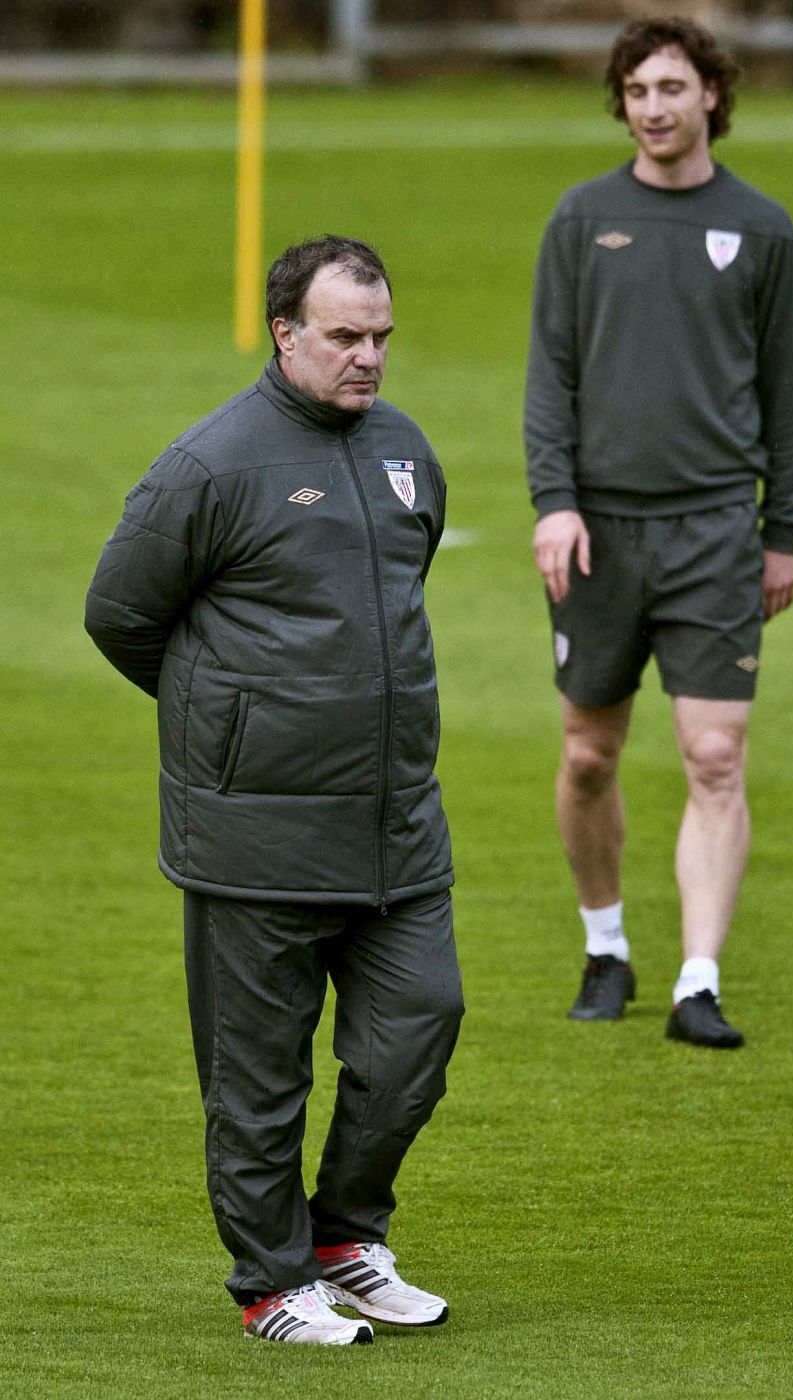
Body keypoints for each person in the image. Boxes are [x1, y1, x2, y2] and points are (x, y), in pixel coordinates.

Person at [85, 235, 466, 1342]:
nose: (368, 358)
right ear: (284, 332)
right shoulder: (212, 463)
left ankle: (343, 1237)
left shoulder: (405, 452)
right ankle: (269, 1279)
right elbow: (120, 612)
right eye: (344, 337)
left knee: (417, 1033)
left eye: (381, 336)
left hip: (395, 822)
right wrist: (235, 728)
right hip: (255, 835)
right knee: (257, 1079)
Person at [523, 17, 793, 1048]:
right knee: (588, 753)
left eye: (671, 87)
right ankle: (605, 946)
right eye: (637, 89)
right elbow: (548, 375)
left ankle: (698, 979)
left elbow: (785, 394)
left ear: (709, 98)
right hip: (595, 532)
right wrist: (551, 500)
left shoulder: (762, 229)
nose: (653, 106)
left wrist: (783, 529)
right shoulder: (579, 217)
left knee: (714, 752)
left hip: (712, 534)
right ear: (621, 101)